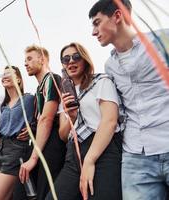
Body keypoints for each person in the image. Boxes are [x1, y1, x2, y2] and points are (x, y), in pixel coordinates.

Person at [89, 0, 169, 199]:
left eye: (97, 23)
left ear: (117, 16)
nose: (93, 31)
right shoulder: (110, 66)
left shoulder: (163, 40)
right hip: (136, 156)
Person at [46, 42, 122, 200]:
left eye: (76, 57)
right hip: (74, 152)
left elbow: (110, 121)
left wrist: (90, 160)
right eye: (66, 59)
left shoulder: (101, 81)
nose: (71, 61)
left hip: (103, 148)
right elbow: (62, 134)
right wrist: (71, 116)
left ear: (85, 59)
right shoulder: (65, 94)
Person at [19, 45, 66, 200]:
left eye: (30, 59)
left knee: (46, 192)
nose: (25, 63)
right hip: (41, 142)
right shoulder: (39, 88)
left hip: (52, 142)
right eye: (25, 60)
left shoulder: (52, 79)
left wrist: (33, 158)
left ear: (43, 59)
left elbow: (47, 119)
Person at [0, 66, 35, 200]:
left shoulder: (28, 99)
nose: (5, 76)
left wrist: (32, 129)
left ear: (19, 80)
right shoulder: (4, 105)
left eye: (9, 73)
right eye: (3, 74)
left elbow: (39, 119)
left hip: (16, 149)